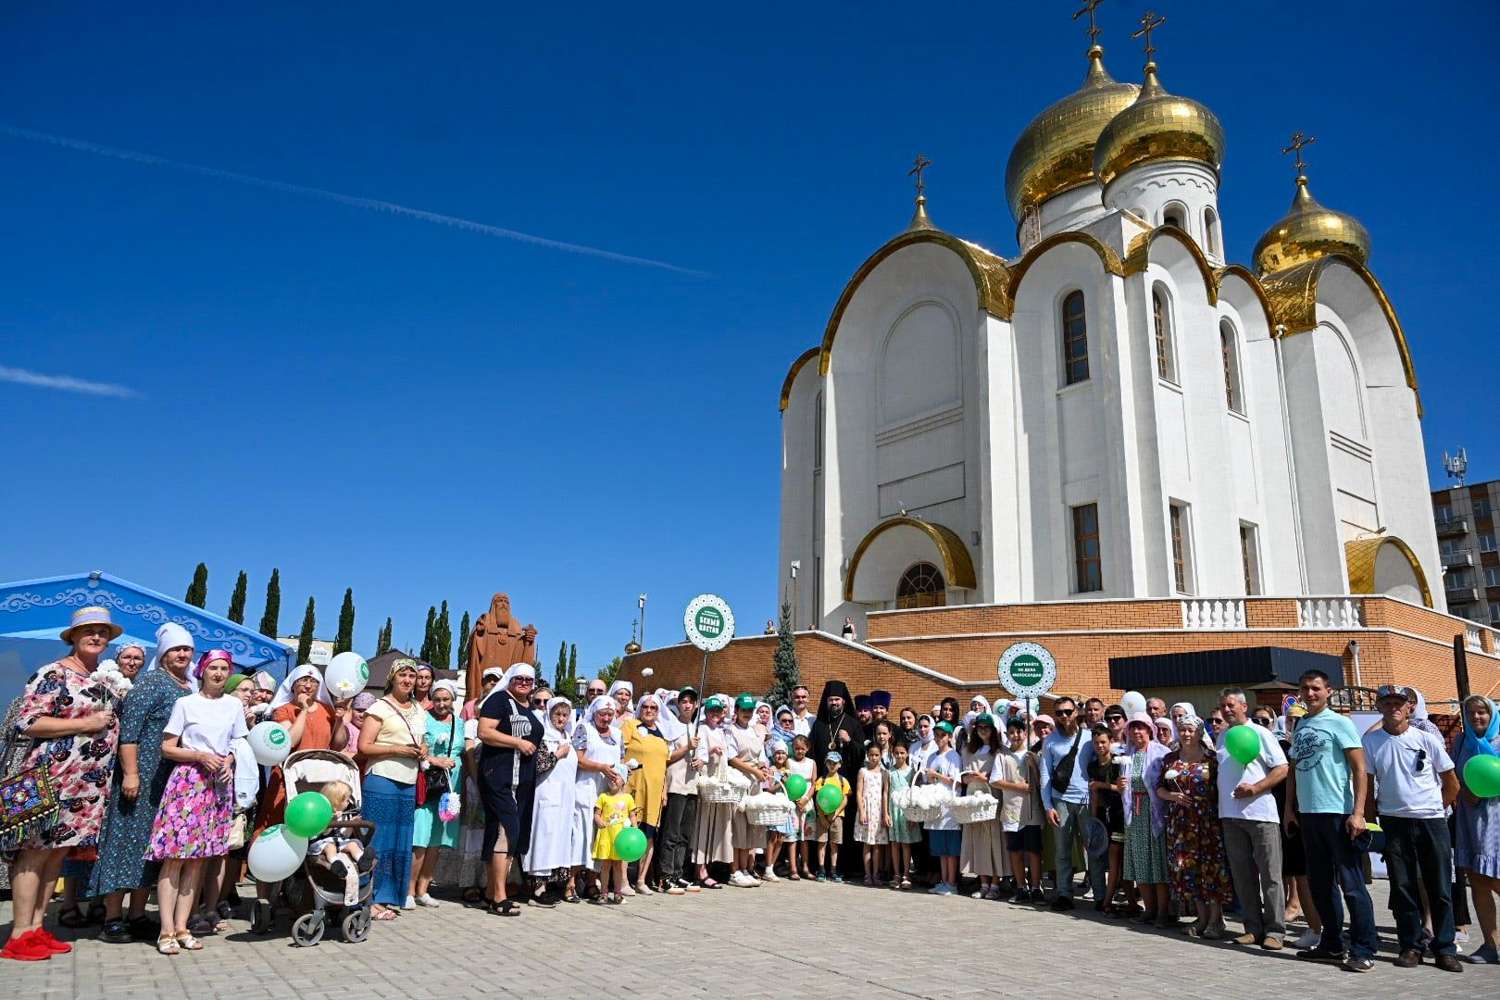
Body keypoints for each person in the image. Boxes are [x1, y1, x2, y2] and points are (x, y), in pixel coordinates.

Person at [2, 607, 122, 963]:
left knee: (56, 854)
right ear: (72, 636)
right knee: (33, 853)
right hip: (51, 777)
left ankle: (38, 927)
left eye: (102, 632)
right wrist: (85, 724)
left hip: (84, 785)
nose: (96, 636)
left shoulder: (100, 679)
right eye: (89, 630)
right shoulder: (53, 673)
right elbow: (30, 721)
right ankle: (19, 933)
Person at [90, 624, 194, 945]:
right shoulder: (150, 683)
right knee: (124, 842)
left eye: (187, 649)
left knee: (152, 848)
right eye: (176, 648)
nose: (182, 654)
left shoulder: (188, 689)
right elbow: (130, 731)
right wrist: (131, 773)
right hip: (142, 775)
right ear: (163, 652)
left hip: (169, 781)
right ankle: (112, 917)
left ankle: (137, 914)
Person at [145, 650, 248, 955]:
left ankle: (182, 926)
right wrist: (199, 755)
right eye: (213, 668)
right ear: (202, 670)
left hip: (217, 786)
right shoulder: (186, 703)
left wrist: (229, 760)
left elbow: (238, 742)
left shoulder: (233, 706)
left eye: (224, 668)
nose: (218, 673)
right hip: (188, 782)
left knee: (198, 859)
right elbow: (167, 747)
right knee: (175, 858)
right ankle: (165, 930)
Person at [1361, 684, 1463, 972]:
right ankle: (1411, 945)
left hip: (1431, 820)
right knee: (1403, 886)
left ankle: (1444, 947)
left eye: (1399, 703)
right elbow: (1368, 788)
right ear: (1379, 708)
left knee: (1440, 885)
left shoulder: (1426, 738)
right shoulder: (1372, 742)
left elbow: (1451, 782)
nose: (1394, 708)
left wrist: (1433, 808)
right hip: (1393, 822)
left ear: (1409, 708)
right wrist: (1371, 823)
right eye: (1387, 703)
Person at [1286, 669, 1377, 972]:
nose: (1309, 694)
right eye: (1304, 688)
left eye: (1315, 688)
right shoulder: (1301, 726)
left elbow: (1359, 769)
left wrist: (1359, 812)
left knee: (1351, 884)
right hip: (1308, 815)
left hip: (1338, 813)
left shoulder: (1340, 723)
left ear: (1328, 691)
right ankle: (1332, 945)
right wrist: (1289, 808)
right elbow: (1294, 771)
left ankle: (1364, 948)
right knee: (1321, 885)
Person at [1216, 687, 1289, 950]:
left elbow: (1282, 768)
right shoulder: (1222, 736)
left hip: (1260, 815)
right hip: (1230, 815)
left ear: (1244, 706)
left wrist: (1256, 788)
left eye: (1231, 705)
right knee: (1242, 876)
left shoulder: (1261, 733)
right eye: (1223, 705)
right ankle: (1252, 927)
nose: (1226, 710)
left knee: (1270, 875)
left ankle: (1276, 930)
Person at [358, 658, 430, 921]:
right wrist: (396, 749)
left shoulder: (419, 710)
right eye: (403, 674)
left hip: (408, 781)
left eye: (412, 675)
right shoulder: (379, 707)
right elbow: (364, 746)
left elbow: (422, 742)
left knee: (400, 841)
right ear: (392, 677)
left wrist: (423, 749)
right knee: (379, 840)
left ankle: (390, 896)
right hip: (382, 778)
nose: (408, 680)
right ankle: (370, 898)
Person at [473, 663, 543, 917]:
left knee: (505, 832)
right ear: (510, 679)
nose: (524, 683)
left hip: (521, 780)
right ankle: (500, 897)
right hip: (500, 775)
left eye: (529, 679)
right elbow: (485, 731)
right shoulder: (499, 700)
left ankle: (492, 891)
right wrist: (517, 742)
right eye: (519, 678)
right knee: (506, 830)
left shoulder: (529, 707)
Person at [1158, 715, 1231, 938]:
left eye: (1191, 730)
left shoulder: (1212, 759)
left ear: (1200, 732)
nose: (1187, 734)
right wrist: (1173, 796)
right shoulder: (1170, 759)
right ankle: (1201, 917)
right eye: (1183, 730)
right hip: (1181, 823)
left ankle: (1216, 919)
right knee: (1189, 870)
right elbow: (1159, 788)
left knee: (1211, 869)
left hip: (1207, 822)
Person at [409, 679, 463, 909]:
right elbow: (415, 749)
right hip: (430, 783)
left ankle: (424, 889)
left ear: (453, 700)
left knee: (437, 840)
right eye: (437, 699)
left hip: (451, 786)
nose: (441, 704)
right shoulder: (423, 719)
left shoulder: (459, 723)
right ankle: (409, 890)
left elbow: (463, 751)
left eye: (446, 699)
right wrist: (435, 760)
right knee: (420, 838)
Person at [1454, 695, 1500, 964]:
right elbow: (1452, 773)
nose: (1476, 718)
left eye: (1482, 712)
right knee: (1477, 879)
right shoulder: (1461, 741)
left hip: (1496, 817)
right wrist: (1463, 790)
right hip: (1469, 817)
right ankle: (1490, 944)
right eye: (1471, 713)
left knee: (1493, 876)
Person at [1039, 696, 1095, 911]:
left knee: (1094, 850)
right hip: (1060, 800)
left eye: (1067, 711)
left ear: (1076, 712)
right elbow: (1046, 775)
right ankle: (1064, 893)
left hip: (1086, 801)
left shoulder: (1089, 738)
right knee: (1062, 851)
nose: (1064, 716)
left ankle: (1100, 894)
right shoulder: (1050, 741)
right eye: (1059, 713)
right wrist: (1048, 806)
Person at [523, 696, 579, 901]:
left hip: (564, 797)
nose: (561, 719)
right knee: (544, 837)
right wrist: (557, 754)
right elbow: (537, 765)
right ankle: (538, 886)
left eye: (565, 715)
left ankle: (553, 884)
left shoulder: (569, 736)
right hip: (546, 794)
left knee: (559, 839)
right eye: (557, 714)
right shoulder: (543, 735)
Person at [621, 692, 676, 894]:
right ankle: (623, 880)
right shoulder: (631, 726)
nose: (649, 711)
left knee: (649, 835)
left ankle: (641, 880)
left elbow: (665, 764)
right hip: (634, 788)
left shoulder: (661, 732)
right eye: (646, 707)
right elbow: (620, 752)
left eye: (653, 708)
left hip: (654, 792)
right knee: (629, 832)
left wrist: (663, 791)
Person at [1120, 713, 1170, 925]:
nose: (1137, 732)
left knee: (1157, 864)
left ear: (1150, 730)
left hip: (1154, 812)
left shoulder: (1162, 753)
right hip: (1135, 813)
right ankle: (1149, 909)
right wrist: (1120, 784)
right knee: (1141, 864)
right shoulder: (1127, 754)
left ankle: (1163, 912)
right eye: (1133, 728)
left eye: (1141, 728)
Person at [575, 696, 624, 897]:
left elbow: (620, 760)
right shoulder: (584, 729)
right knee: (581, 836)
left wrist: (620, 777)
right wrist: (601, 767)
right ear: (594, 713)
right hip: (586, 788)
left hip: (608, 793)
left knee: (601, 838)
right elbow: (578, 759)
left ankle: (592, 882)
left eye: (610, 715)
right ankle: (571, 882)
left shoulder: (618, 734)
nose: (606, 719)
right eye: (602, 714)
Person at [656, 688, 700, 894]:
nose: (687, 705)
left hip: (691, 786)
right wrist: (686, 748)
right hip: (675, 785)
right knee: (671, 833)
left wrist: (700, 761)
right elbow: (665, 757)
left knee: (685, 834)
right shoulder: (671, 727)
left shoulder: (696, 728)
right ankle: (664, 875)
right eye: (683, 701)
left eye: (691, 701)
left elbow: (701, 757)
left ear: (696, 705)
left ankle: (678, 873)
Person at [960, 714, 1005, 899]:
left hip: (992, 798)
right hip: (973, 799)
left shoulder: (1000, 751)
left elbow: (1000, 776)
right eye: (980, 727)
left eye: (987, 727)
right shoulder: (969, 751)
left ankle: (995, 883)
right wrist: (967, 778)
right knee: (978, 841)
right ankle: (983, 882)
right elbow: (962, 776)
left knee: (994, 840)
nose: (983, 730)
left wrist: (984, 778)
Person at [727, 693, 770, 887]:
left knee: (750, 826)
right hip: (738, 781)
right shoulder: (730, 731)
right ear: (736, 711)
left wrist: (762, 767)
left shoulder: (754, 731)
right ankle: (734, 871)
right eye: (743, 710)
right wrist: (754, 769)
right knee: (738, 827)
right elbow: (732, 758)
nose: (746, 713)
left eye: (749, 710)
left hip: (754, 783)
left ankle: (745, 868)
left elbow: (759, 754)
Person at [691, 695, 734, 888]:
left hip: (719, 783)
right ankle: (699, 869)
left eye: (718, 711)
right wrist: (710, 752)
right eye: (711, 711)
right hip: (707, 782)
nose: (715, 714)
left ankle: (708, 865)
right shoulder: (702, 729)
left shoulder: (722, 731)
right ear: (706, 712)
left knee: (713, 827)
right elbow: (698, 754)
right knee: (703, 825)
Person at [1000, 716, 1043, 904]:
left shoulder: (1032, 755)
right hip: (1012, 811)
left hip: (1031, 810)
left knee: (1033, 851)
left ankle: (1036, 887)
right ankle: (1020, 887)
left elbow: (1042, 781)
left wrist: (1034, 766)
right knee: (1015, 851)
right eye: (1011, 732)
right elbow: (995, 780)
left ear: (1025, 733)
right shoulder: (1002, 756)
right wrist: (1018, 787)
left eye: (1019, 732)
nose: (1015, 736)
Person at [1086, 725, 1125, 914]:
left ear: (1110, 742)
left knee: (1115, 857)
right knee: (1106, 858)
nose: (1100, 746)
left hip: (1118, 815)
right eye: (1096, 743)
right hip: (1102, 816)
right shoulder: (1092, 765)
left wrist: (1102, 785)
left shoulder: (1118, 763)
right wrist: (1094, 821)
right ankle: (1127, 901)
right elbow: (1093, 794)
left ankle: (1108, 900)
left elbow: (1121, 789)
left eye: (1103, 742)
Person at [308, 780, 366, 905]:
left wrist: (351, 824)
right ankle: (335, 863)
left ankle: (362, 860)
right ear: (336, 802)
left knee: (353, 844)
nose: (348, 803)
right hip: (322, 841)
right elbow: (323, 833)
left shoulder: (345, 814)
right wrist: (332, 820)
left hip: (339, 841)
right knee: (330, 847)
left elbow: (345, 835)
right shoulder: (321, 814)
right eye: (346, 800)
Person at [920, 722, 963, 895]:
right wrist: (930, 778)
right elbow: (929, 780)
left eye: (943, 735)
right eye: (937, 735)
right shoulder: (931, 757)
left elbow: (956, 781)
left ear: (949, 737)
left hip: (949, 807)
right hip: (936, 805)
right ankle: (944, 880)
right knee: (940, 849)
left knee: (951, 848)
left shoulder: (954, 756)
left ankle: (952, 882)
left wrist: (936, 775)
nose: (939, 738)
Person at [590, 781, 639, 905]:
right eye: (610, 778)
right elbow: (597, 814)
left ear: (623, 781)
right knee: (605, 866)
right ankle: (604, 893)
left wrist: (635, 827)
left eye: (616, 777)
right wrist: (598, 821)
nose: (612, 780)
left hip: (621, 839)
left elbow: (632, 815)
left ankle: (618, 893)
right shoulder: (603, 797)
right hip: (606, 837)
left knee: (618, 866)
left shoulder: (628, 798)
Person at [854, 742, 890, 886]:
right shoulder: (863, 771)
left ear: (881, 755)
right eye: (871, 755)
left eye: (876, 755)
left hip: (878, 810)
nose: (873, 758)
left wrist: (885, 813)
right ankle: (867, 874)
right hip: (867, 809)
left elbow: (885, 793)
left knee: (877, 845)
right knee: (867, 844)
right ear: (867, 755)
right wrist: (862, 811)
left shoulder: (884, 772)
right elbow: (858, 792)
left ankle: (876, 874)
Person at [813, 751, 851, 882]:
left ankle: (833, 870)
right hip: (822, 816)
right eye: (829, 762)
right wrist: (821, 816)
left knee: (834, 843)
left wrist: (836, 813)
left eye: (835, 763)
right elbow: (818, 799)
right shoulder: (821, 780)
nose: (832, 765)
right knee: (822, 842)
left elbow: (845, 799)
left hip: (837, 816)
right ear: (826, 764)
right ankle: (821, 869)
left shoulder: (842, 781)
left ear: (840, 764)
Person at [886, 741, 918, 889]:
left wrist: (912, 815)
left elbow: (914, 793)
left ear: (907, 754)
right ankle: (896, 874)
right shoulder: (889, 772)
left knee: (906, 843)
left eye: (902, 753)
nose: (899, 756)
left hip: (905, 811)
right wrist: (885, 813)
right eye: (896, 753)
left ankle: (906, 874)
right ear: (893, 754)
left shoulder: (912, 771)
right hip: (893, 809)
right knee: (894, 843)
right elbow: (885, 792)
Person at [788, 734, 818, 879]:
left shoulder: (812, 762)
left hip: (807, 802)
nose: (799, 751)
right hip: (793, 802)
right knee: (793, 837)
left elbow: (814, 783)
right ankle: (793, 868)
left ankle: (805, 867)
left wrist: (806, 799)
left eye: (802, 748)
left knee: (805, 837)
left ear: (807, 748)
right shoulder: (789, 762)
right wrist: (796, 800)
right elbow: (787, 783)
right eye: (797, 748)